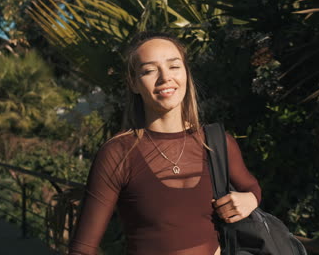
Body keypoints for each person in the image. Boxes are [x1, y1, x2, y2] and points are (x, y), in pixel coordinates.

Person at [68, 31, 262, 255]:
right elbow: (83, 248)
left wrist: (250, 199)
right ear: (133, 83)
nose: (165, 78)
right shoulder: (118, 153)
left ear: (186, 73)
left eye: (174, 66)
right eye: (150, 71)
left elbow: (252, 188)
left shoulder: (217, 143)